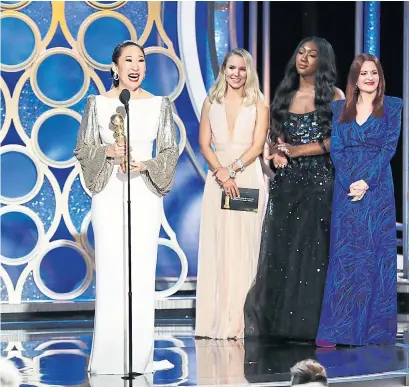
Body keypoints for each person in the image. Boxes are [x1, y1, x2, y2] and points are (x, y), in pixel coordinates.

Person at [74, 40, 178, 375]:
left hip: (144, 195)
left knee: (141, 273)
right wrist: (108, 152)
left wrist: (145, 165)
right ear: (115, 67)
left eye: (141, 60)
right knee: (112, 271)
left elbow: (169, 151)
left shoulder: (160, 105)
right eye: (128, 60)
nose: (136, 66)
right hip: (108, 195)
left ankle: (138, 358)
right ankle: (107, 358)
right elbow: (82, 149)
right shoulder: (97, 104)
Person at [244, 37, 344, 342]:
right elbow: (276, 139)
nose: (303, 58)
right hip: (287, 184)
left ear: (322, 62)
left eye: (312, 55)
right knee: (285, 251)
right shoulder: (285, 94)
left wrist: (298, 151)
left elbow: (336, 141)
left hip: (320, 182)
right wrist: (276, 153)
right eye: (300, 52)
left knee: (315, 255)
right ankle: (285, 326)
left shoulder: (335, 96)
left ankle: (315, 326)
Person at [317, 54, 403, 346]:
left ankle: (374, 330)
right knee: (346, 257)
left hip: (377, 189)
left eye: (374, 73)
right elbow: (337, 149)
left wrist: (366, 181)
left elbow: (388, 148)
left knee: (375, 257)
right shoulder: (340, 108)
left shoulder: (393, 106)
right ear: (355, 78)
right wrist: (349, 181)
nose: (370, 78)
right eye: (364, 73)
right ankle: (338, 329)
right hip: (347, 187)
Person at [195, 48, 269, 339]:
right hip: (217, 181)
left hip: (246, 177)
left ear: (248, 72)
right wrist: (221, 173)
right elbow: (204, 144)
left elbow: (257, 144)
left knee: (244, 247)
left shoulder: (258, 104)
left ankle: (242, 321)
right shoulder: (210, 102)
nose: (236, 74)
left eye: (242, 69)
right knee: (220, 247)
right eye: (231, 68)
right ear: (223, 70)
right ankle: (216, 318)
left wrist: (233, 170)